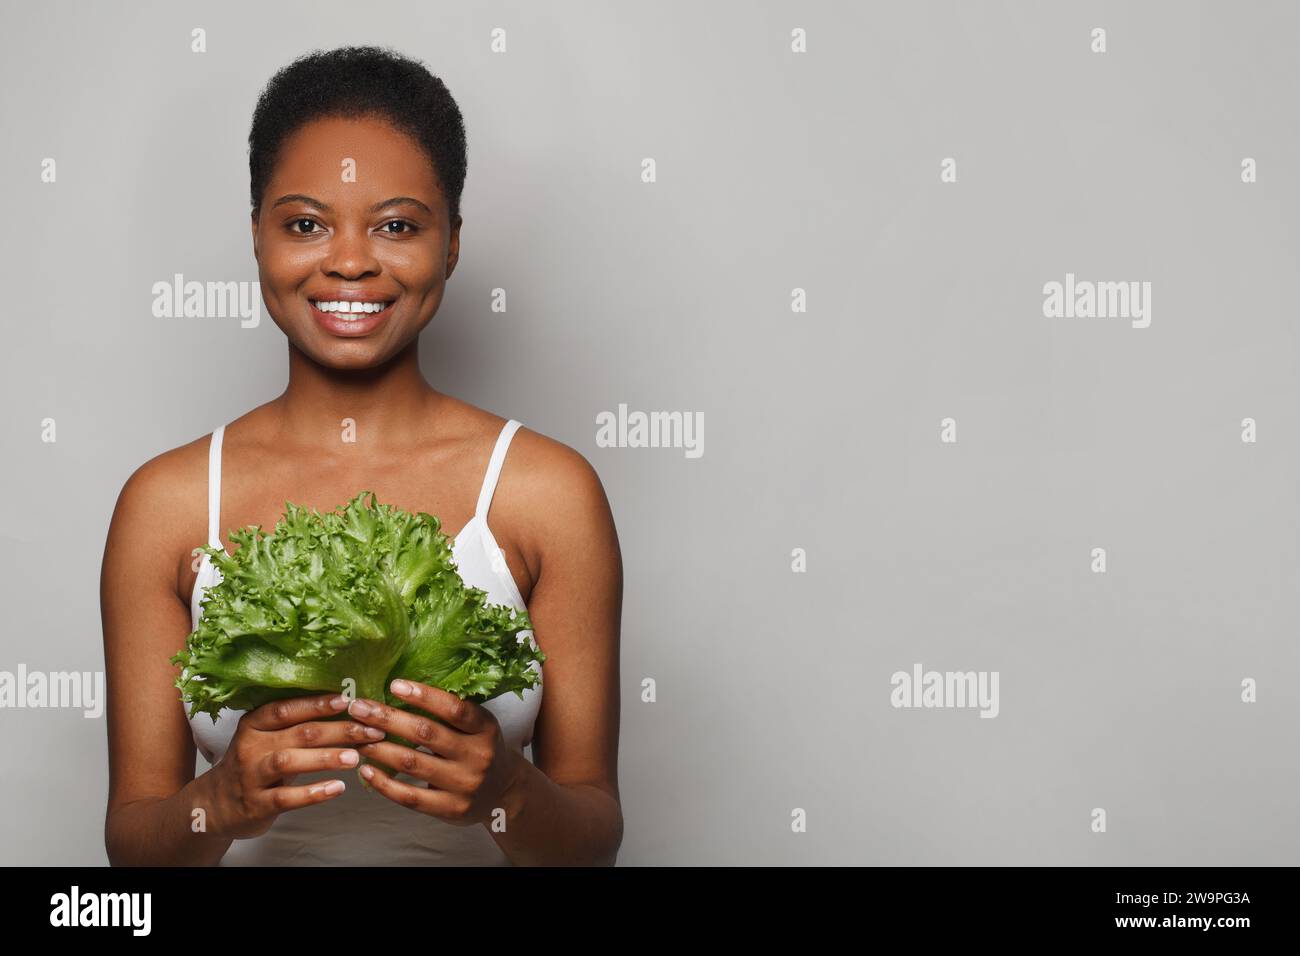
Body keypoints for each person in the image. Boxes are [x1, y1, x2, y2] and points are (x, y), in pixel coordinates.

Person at [100, 46, 623, 866]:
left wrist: (507, 795)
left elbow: (592, 840)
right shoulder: (166, 503)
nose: (350, 261)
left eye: (398, 225)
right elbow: (135, 847)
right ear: (257, 238)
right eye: (305, 224)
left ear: (450, 244)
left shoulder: (544, 492)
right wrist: (221, 800)